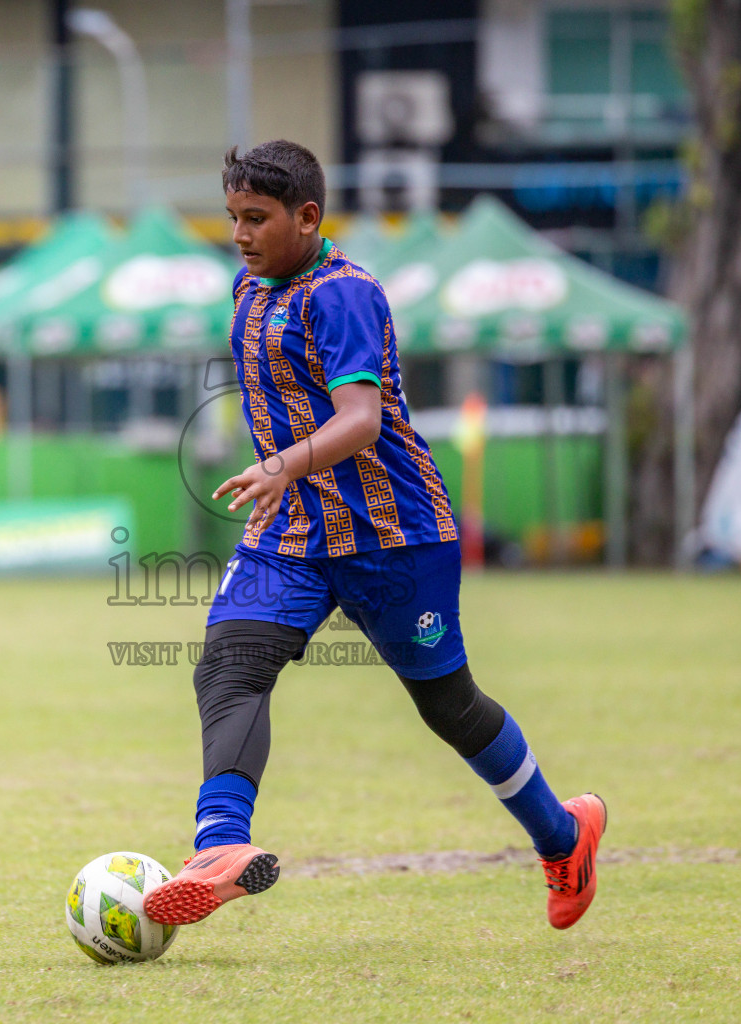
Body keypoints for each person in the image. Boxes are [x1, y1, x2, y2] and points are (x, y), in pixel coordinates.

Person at [142, 140, 605, 931]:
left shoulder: (346, 295)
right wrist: (285, 479)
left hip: (394, 533)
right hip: (293, 531)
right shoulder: (248, 291)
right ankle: (218, 845)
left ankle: (565, 836)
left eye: (257, 219)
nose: (241, 236)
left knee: (449, 706)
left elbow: (361, 422)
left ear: (308, 217)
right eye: (233, 219)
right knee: (229, 662)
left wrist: (282, 463)